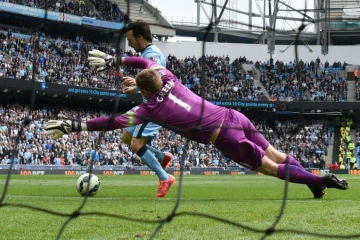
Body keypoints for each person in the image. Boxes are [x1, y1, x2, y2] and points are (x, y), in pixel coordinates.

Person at [46, 51, 349, 199]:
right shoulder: (165, 74)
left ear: (145, 92)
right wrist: (117, 60)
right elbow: (141, 62)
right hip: (232, 115)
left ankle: (320, 180)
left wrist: (73, 126)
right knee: (279, 154)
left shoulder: (149, 109)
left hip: (223, 136)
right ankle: (314, 185)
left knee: (270, 168)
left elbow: (109, 122)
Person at [97, 20, 175, 198]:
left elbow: (159, 81)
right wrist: (136, 87)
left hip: (155, 107)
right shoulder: (148, 54)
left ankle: (165, 178)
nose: (129, 43)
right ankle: (163, 158)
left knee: (136, 144)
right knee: (126, 137)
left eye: (130, 38)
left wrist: (137, 82)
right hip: (148, 104)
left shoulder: (152, 55)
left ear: (139, 36)